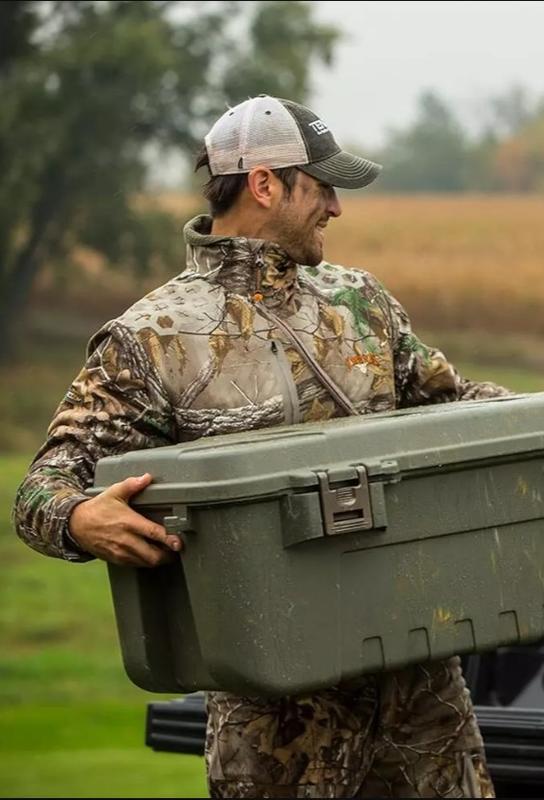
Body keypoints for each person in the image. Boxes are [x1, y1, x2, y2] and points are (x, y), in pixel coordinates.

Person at [13, 94, 508, 798]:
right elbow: (42, 488)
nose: (336, 208)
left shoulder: (360, 303)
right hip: (277, 728)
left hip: (422, 702)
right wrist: (78, 519)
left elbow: (458, 407)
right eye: (324, 187)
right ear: (265, 183)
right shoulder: (152, 338)